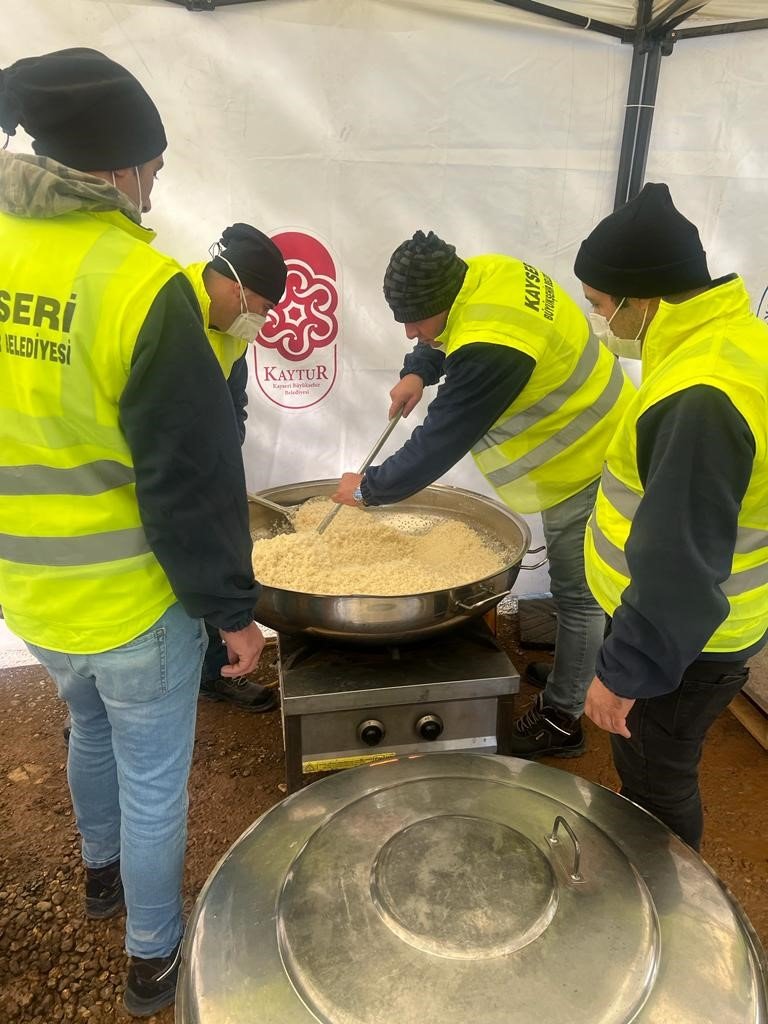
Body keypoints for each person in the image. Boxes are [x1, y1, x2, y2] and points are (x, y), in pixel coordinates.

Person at [0, 48, 265, 1016]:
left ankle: (98, 873)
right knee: (155, 772)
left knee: (85, 726)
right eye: (153, 166)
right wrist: (234, 615)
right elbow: (192, 481)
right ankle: (154, 956)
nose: (155, 187)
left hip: (30, 595)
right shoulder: (143, 286)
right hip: (131, 604)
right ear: (116, 168)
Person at [332, 230, 634, 756]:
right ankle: (573, 670)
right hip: (589, 432)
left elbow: (436, 445)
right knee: (576, 592)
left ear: (444, 301)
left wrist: (368, 489)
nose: (410, 330)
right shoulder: (485, 273)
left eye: (416, 322)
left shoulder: (492, 347)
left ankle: (563, 717)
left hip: (589, 455)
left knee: (578, 594)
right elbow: (446, 335)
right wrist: (417, 370)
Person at [574, 182, 768, 851]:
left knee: (657, 781)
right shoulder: (731, 339)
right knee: (661, 770)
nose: (603, 321)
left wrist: (624, 672)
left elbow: (680, 560)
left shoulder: (701, 396)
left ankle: (669, 907)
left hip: (689, 645)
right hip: (701, 630)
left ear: (643, 299)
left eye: (602, 306)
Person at [186, 223, 286, 711]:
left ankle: (212, 673)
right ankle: (106, 713)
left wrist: (224, 456)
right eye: (263, 309)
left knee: (208, 561)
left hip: (197, 475)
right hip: (149, 477)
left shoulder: (232, 335)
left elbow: (233, 405)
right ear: (233, 288)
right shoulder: (165, 309)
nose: (263, 323)